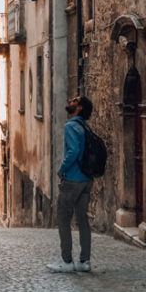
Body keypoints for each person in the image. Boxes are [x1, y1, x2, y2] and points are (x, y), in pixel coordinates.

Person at [46, 95, 94, 273]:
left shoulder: (71, 126)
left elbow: (73, 151)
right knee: (83, 220)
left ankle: (66, 261)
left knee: (63, 218)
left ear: (79, 107)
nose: (70, 100)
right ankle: (85, 261)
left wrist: (62, 169)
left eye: (74, 100)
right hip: (87, 180)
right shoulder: (85, 127)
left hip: (73, 179)